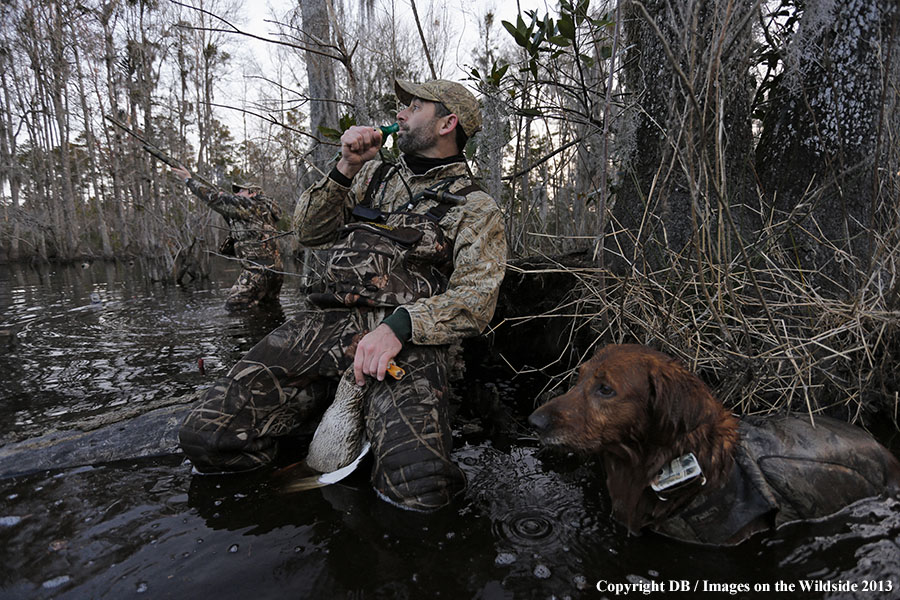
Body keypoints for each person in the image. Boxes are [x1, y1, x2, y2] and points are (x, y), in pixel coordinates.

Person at [178, 79, 507, 512]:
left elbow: (476, 300)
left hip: (405, 344)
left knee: (421, 490)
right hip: (327, 328)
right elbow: (310, 234)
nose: (401, 114)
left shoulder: (476, 207)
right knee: (207, 438)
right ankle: (292, 492)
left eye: (415, 105)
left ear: (448, 123)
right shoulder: (371, 174)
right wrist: (345, 167)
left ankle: (365, 436)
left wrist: (401, 327)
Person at [171, 165, 284, 310]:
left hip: (257, 271)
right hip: (276, 271)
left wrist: (188, 180)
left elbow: (215, 199)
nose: (236, 194)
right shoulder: (264, 209)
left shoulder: (248, 205)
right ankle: (276, 333)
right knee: (269, 308)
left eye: (240, 191)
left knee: (234, 306)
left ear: (252, 193)